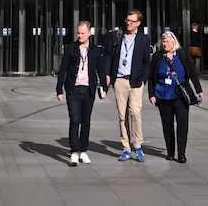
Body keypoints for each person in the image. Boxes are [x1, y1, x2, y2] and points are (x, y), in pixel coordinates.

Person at [55, 21, 108, 167]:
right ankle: (73, 151)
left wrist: (104, 87)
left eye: (82, 33)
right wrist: (59, 89)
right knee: (74, 120)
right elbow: (63, 70)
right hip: (73, 90)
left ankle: (83, 151)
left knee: (86, 121)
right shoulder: (70, 48)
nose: (80, 35)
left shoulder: (96, 50)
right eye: (78, 32)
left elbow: (101, 70)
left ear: (90, 33)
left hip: (88, 90)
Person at [147, 30, 203, 164]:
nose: (165, 44)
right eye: (163, 41)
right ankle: (170, 152)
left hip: (180, 95)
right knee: (167, 125)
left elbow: (192, 73)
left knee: (182, 124)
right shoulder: (157, 56)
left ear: (174, 42)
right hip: (162, 95)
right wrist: (152, 94)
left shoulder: (182, 55)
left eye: (167, 41)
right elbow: (150, 78)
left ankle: (181, 153)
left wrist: (199, 90)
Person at [106, 9, 152, 162]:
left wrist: (143, 79)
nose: (128, 23)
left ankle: (137, 145)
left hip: (136, 81)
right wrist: (109, 76)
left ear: (138, 23)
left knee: (135, 112)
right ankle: (126, 147)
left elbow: (147, 62)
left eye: (131, 21)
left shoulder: (144, 39)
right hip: (120, 80)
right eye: (127, 20)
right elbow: (110, 57)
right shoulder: (118, 37)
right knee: (122, 115)